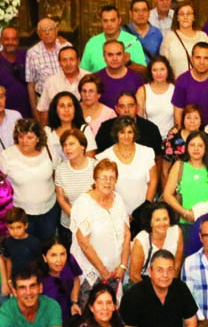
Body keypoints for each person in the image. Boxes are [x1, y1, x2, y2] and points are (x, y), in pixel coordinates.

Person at [70, 159, 131, 304]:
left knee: (112, 311)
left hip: (115, 271)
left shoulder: (118, 200)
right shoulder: (83, 204)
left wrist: (123, 265)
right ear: (95, 179)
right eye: (103, 177)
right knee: (90, 312)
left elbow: (127, 234)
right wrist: (102, 271)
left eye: (112, 178)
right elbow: (84, 243)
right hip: (91, 272)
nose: (108, 182)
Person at [0, 119, 58, 242]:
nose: (24, 141)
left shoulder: (49, 150)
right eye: (21, 137)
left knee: (47, 245)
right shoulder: (7, 156)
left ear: (38, 138)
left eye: (30, 137)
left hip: (49, 211)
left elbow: (56, 174)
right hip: (21, 215)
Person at [96, 116, 158, 218]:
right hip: (115, 213)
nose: (126, 136)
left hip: (143, 213)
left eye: (130, 132)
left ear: (134, 134)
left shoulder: (147, 152)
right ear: (116, 133)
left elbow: (153, 181)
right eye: (122, 132)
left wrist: (145, 207)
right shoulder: (105, 157)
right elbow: (102, 188)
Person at [163, 130, 208, 225]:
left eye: (200, 145)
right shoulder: (179, 165)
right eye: (192, 145)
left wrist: (200, 213)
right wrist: (185, 212)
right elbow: (167, 195)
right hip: (184, 221)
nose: (196, 149)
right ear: (187, 147)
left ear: (206, 148)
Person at [53, 129, 95, 248]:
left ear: (82, 146)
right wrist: (76, 217)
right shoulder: (61, 169)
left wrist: (86, 221)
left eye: (71, 144)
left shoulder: (96, 166)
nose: (67, 148)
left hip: (93, 223)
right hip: (69, 225)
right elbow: (61, 198)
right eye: (65, 145)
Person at [162, 104, 208, 183]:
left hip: (203, 184)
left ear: (201, 121)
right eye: (188, 117)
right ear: (183, 120)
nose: (192, 121)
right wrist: (168, 188)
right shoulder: (172, 140)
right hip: (177, 186)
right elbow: (165, 171)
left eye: (196, 118)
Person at [94, 89, 162, 158]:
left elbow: (158, 157)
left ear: (137, 107)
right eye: (122, 106)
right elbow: (98, 154)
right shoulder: (105, 128)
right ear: (116, 109)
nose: (126, 110)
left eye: (130, 106)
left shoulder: (151, 129)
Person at [0, 26, 30, 117]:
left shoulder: (26, 56)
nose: (10, 42)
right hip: (5, 115)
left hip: (28, 113)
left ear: (18, 41)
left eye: (13, 39)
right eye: (6, 39)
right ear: (1, 41)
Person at [81, 5, 146, 74]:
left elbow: (144, 71)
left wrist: (129, 63)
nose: (109, 24)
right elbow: (82, 72)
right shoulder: (92, 43)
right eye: (105, 21)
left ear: (119, 20)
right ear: (101, 22)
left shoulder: (133, 41)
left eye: (112, 20)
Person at [26, 18, 68, 122]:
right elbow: (31, 85)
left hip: (67, 102)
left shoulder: (66, 47)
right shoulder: (32, 53)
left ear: (56, 30)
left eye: (50, 29)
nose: (47, 33)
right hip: (45, 104)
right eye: (44, 30)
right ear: (38, 33)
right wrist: (35, 113)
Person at [131, 201, 184, 281]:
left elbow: (177, 265)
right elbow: (134, 275)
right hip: (145, 281)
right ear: (150, 222)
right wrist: (152, 289)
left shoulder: (177, 232)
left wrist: (168, 284)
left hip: (169, 279)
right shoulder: (141, 241)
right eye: (157, 220)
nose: (162, 223)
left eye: (165, 219)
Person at [36, 46, 89, 124]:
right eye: (64, 60)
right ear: (59, 62)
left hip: (85, 124)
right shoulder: (51, 82)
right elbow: (43, 110)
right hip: (58, 127)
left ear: (78, 60)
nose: (68, 64)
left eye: (71, 59)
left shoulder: (89, 78)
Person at [44, 91, 98, 165]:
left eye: (69, 106)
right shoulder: (47, 131)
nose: (66, 110)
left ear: (75, 109)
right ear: (55, 110)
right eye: (62, 106)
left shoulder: (84, 129)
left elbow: (90, 159)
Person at [160, 3, 208, 77]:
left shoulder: (203, 36)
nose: (185, 17)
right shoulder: (170, 37)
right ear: (177, 18)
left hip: (200, 81)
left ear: (193, 17)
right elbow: (163, 64)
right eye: (182, 14)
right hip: (177, 81)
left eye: (188, 14)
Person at [0, 207, 43, 286]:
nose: (15, 231)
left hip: (31, 278)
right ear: (7, 226)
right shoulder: (7, 242)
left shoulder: (34, 242)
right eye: (11, 228)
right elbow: (8, 261)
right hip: (15, 278)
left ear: (26, 225)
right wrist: (8, 279)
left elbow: (39, 263)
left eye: (19, 227)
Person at [136, 54, 176, 140]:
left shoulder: (175, 90)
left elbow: (179, 121)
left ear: (168, 70)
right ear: (150, 72)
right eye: (155, 70)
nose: (159, 73)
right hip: (149, 138)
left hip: (171, 139)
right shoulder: (142, 91)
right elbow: (139, 120)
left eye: (162, 69)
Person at [96, 39, 144, 109]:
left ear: (124, 55)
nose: (115, 58)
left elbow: (140, 107)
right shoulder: (96, 79)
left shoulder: (136, 78)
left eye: (118, 54)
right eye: (110, 55)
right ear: (104, 57)